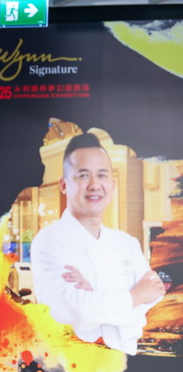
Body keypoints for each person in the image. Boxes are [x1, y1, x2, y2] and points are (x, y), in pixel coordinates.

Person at [30, 133, 166, 355]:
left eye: (102, 175)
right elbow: (77, 311)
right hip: (72, 364)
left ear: (112, 184)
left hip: (128, 362)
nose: (94, 185)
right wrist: (135, 297)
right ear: (64, 185)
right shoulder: (49, 241)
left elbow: (156, 299)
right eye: (83, 175)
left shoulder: (127, 243)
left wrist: (95, 298)